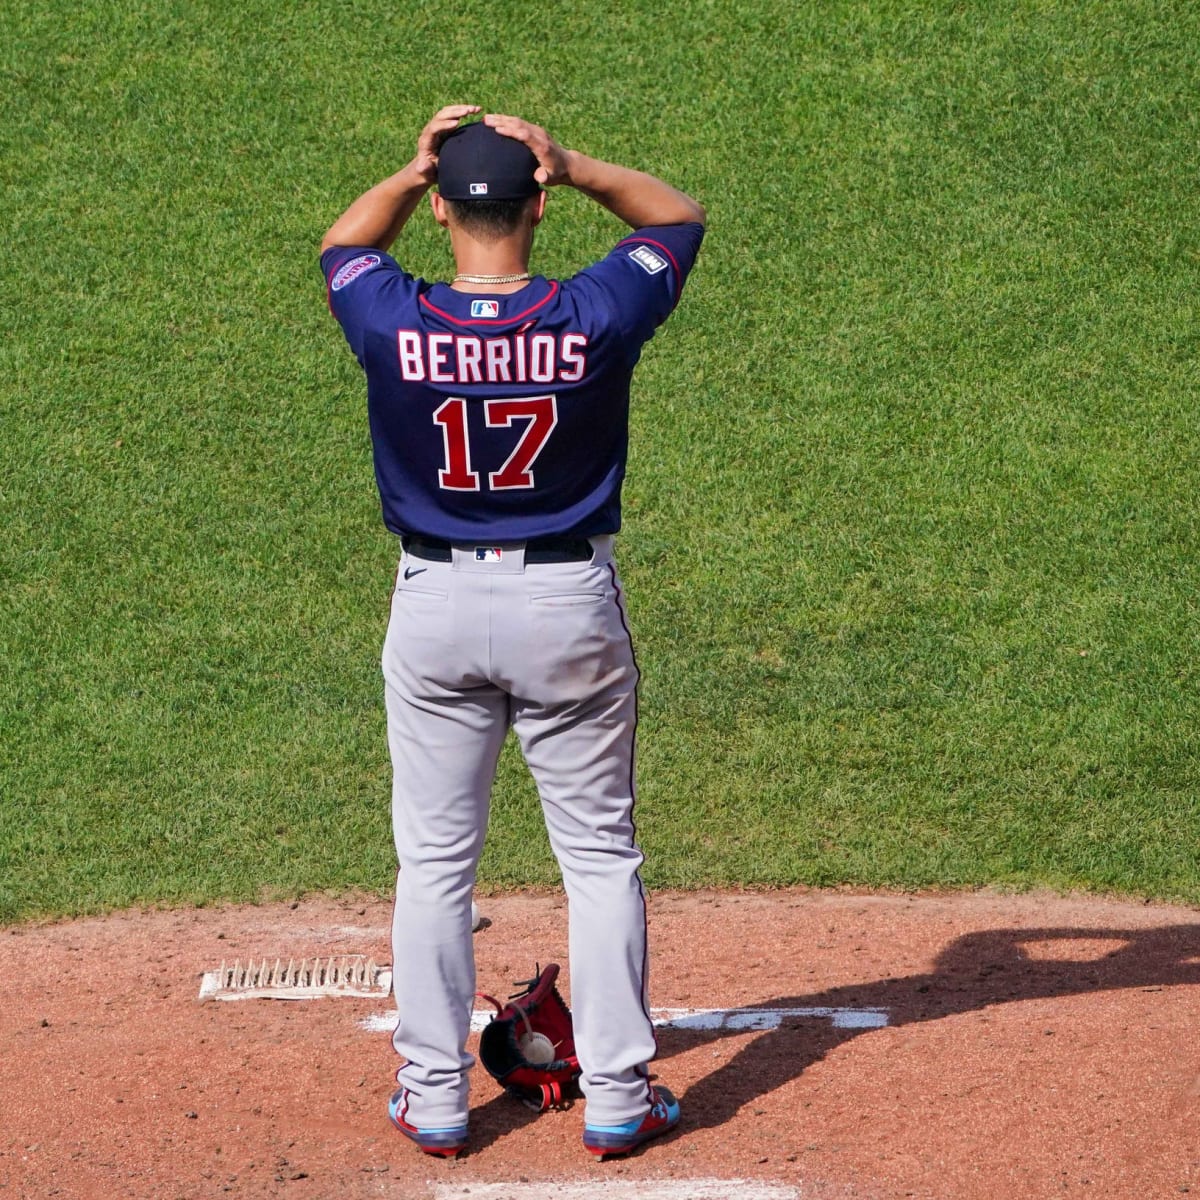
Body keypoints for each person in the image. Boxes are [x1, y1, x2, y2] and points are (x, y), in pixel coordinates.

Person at [319, 105, 705, 1160]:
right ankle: (620, 1093)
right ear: (537, 204)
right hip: (565, 608)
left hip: (435, 609)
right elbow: (676, 218)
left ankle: (435, 1094)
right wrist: (575, 162)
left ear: (442, 211)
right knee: (598, 856)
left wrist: (406, 169)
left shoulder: (391, 316)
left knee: (436, 862)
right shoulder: (593, 311)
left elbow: (343, 246)